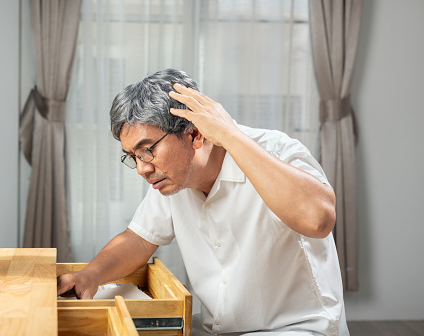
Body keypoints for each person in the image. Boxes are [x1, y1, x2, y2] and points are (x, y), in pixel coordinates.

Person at [57, 69, 348, 335]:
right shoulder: (173, 178)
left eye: (147, 151)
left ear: (194, 133)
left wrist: (230, 135)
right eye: (133, 157)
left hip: (298, 328)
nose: (143, 168)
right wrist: (90, 275)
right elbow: (139, 239)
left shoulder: (277, 150)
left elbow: (319, 220)